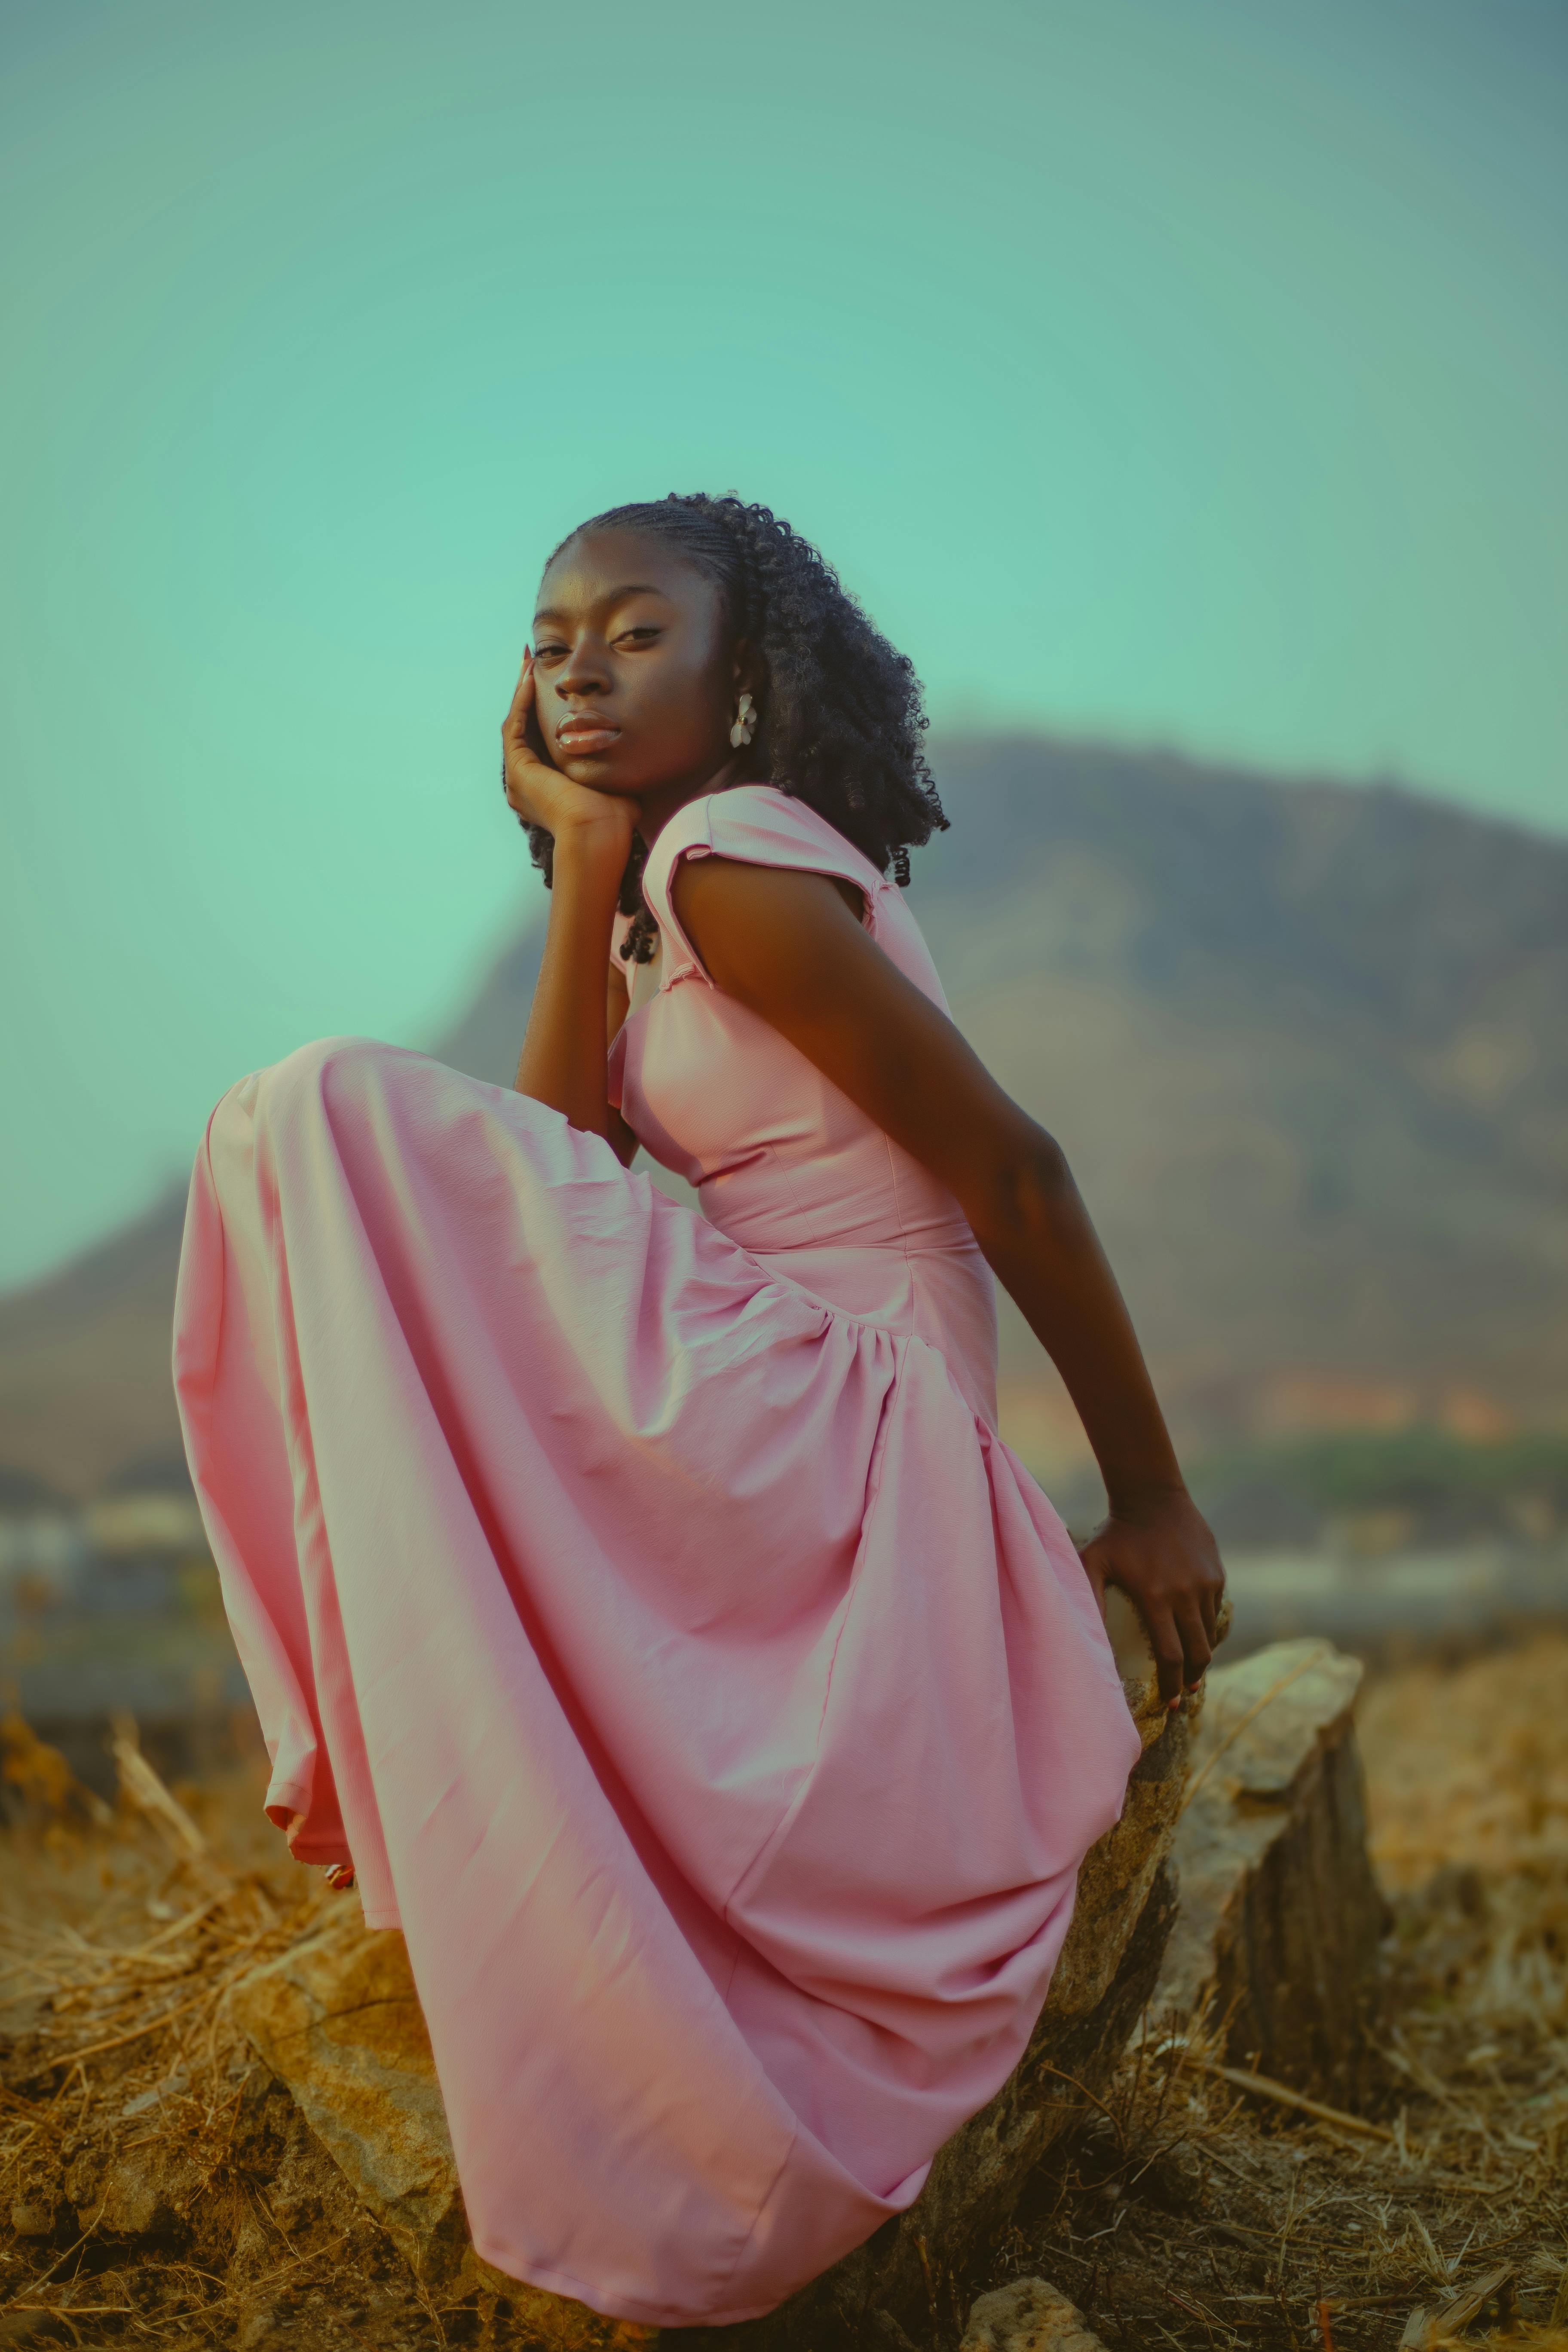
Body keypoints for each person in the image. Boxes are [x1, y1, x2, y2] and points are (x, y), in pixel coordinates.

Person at [173, 494, 1224, 2330]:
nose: (580, 660)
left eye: (638, 628)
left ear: (748, 677)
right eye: (550, 632)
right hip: (787, 1378)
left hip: (862, 1393)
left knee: (316, 1107)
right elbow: (565, 1165)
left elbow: (1017, 1173)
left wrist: (1152, 1497)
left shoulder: (736, 854)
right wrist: (585, 854)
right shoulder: (668, 889)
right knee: (318, 1138)